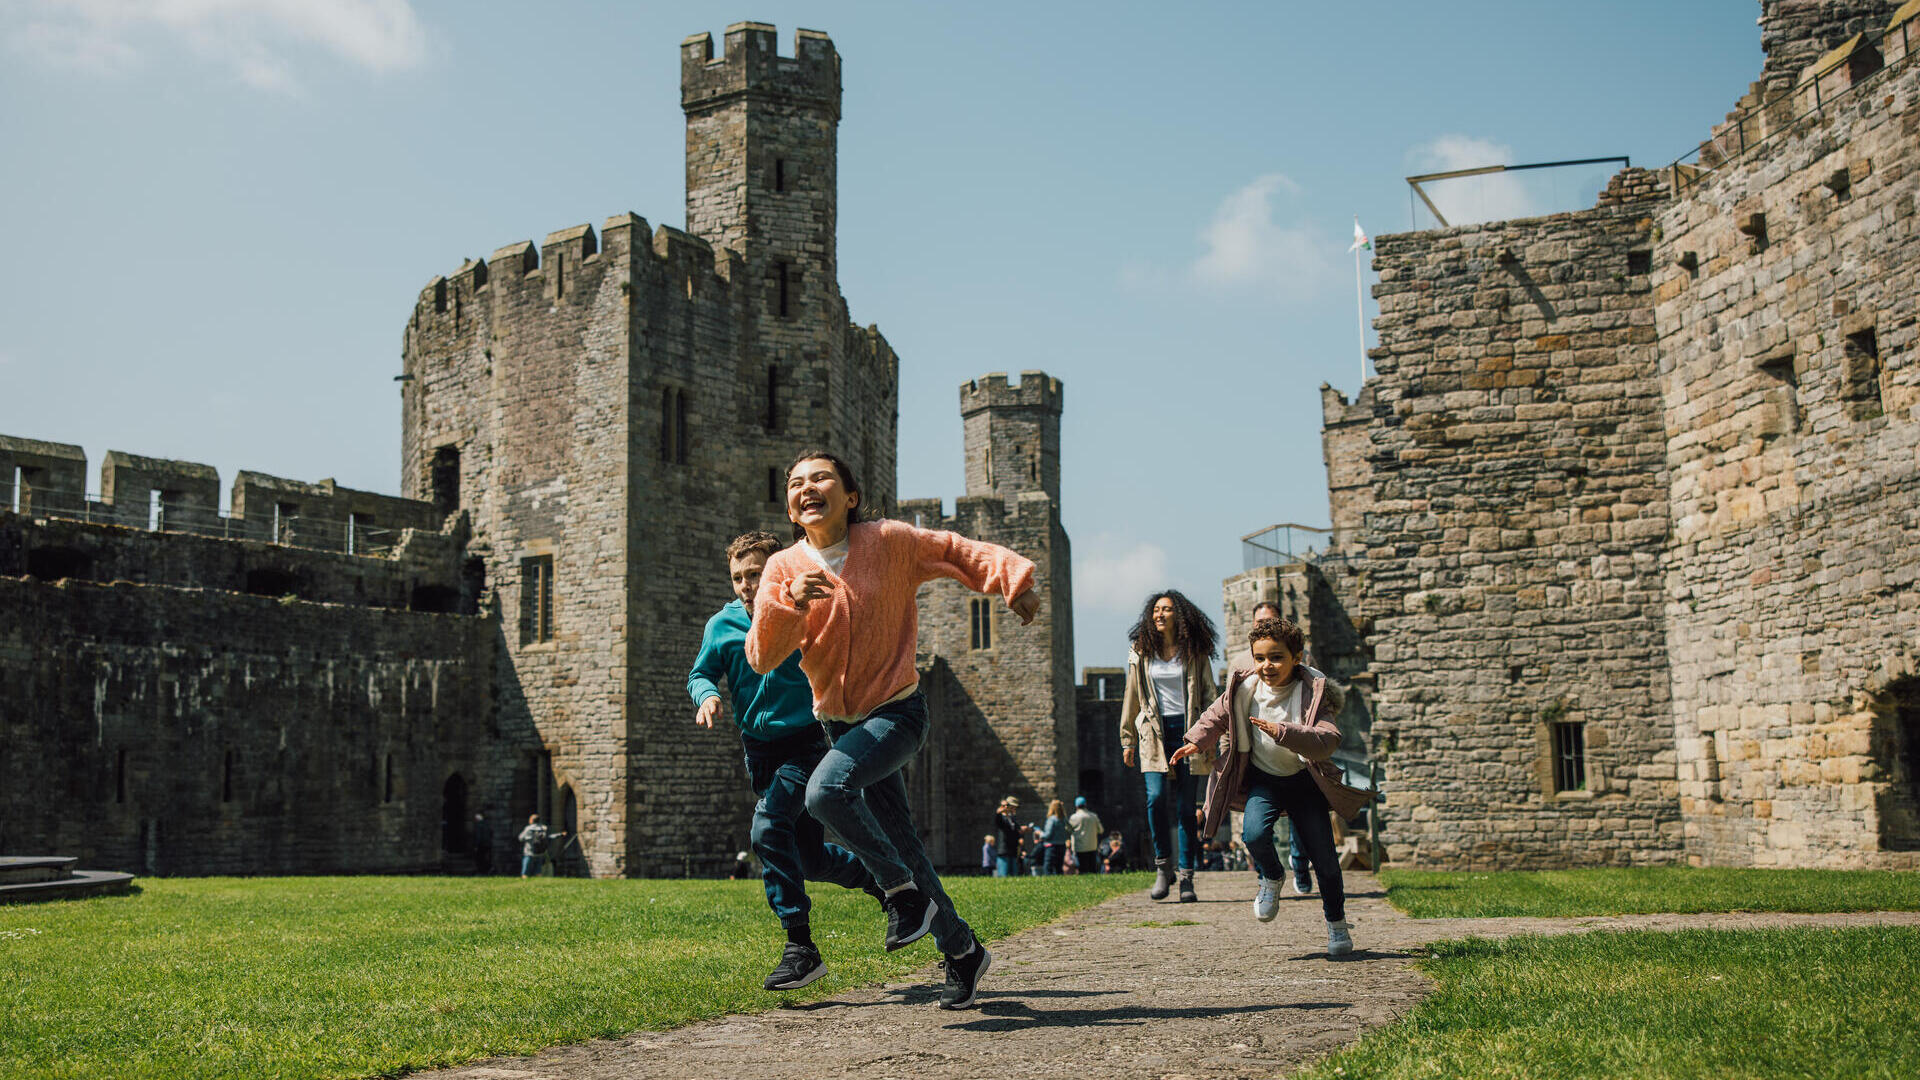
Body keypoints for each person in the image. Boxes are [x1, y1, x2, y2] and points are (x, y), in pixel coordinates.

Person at [747, 450, 1039, 1010]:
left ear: (850, 496)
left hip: (898, 714)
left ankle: (901, 895)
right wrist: (789, 603)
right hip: (839, 726)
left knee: (825, 792)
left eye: (821, 478)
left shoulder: (890, 541)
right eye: (795, 483)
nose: (806, 488)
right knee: (906, 848)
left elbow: (957, 551)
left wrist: (1014, 580)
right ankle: (963, 951)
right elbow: (760, 656)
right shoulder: (782, 569)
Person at [689, 530, 882, 991]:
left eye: (754, 573)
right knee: (808, 859)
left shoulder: (807, 610)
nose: (745, 584)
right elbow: (701, 672)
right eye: (737, 577)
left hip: (808, 741)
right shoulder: (722, 625)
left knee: (768, 826)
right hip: (760, 750)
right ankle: (884, 880)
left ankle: (800, 947)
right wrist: (708, 695)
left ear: (776, 568)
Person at [1172, 616, 1356, 956]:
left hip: (1304, 782)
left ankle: (1337, 926)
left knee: (1326, 861)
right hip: (1263, 780)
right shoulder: (1244, 689)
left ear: (1296, 657)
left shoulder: (1313, 692)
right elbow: (1215, 715)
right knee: (1253, 835)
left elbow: (1329, 739)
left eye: (1276, 657)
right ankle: (1272, 876)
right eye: (1259, 658)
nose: (1266, 666)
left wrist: (1284, 732)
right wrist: (1196, 741)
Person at [1119, 590, 1220, 903]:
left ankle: (1187, 876)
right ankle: (1163, 868)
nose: (1159, 614)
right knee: (1156, 799)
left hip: (1189, 732)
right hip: (1153, 733)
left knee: (1186, 809)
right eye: (1155, 610)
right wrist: (1127, 738)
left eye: (1166, 609)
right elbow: (1131, 695)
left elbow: (1209, 694)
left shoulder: (1195, 652)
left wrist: (1213, 735)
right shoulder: (1141, 652)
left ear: (1180, 616)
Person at [1236, 600, 1314, 897]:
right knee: (1254, 830)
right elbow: (1226, 713)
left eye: (1268, 620)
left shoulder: (1304, 669)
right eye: (1258, 622)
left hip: (1298, 764)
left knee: (1302, 823)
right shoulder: (1241, 666)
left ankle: (1300, 865)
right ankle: (1270, 874)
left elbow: (1318, 701)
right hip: (1261, 762)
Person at [517, 814, 563, 878]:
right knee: (538, 872)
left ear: (531, 820)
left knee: (525, 871)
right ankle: (538, 881)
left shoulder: (529, 829)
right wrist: (560, 834)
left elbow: (520, 838)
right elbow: (549, 837)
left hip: (529, 852)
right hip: (540, 853)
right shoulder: (543, 828)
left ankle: (524, 882)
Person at [1067, 797, 1103, 875]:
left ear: (1076, 806)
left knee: (1082, 869)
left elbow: (1068, 830)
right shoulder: (1093, 816)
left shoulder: (1074, 817)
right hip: (1092, 846)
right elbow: (1101, 830)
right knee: (1092, 869)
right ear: (1085, 805)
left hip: (1079, 847)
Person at [993, 797, 1023, 878]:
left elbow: (1015, 831)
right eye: (1012, 807)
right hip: (1004, 851)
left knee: (1014, 875)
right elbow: (998, 821)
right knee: (1004, 876)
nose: (1014, 809)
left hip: (1013, 850)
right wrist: (999, 813)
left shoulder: (1012, 818)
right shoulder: (1001, 817)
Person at [1037, 799, 1069, 875]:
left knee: (1048, 867)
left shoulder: (1052, 819)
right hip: (1062, 845)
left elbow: (1048, 834)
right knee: (1059, 867)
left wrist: (1040, 833)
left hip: (1051, 846)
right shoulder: (1064, 819)